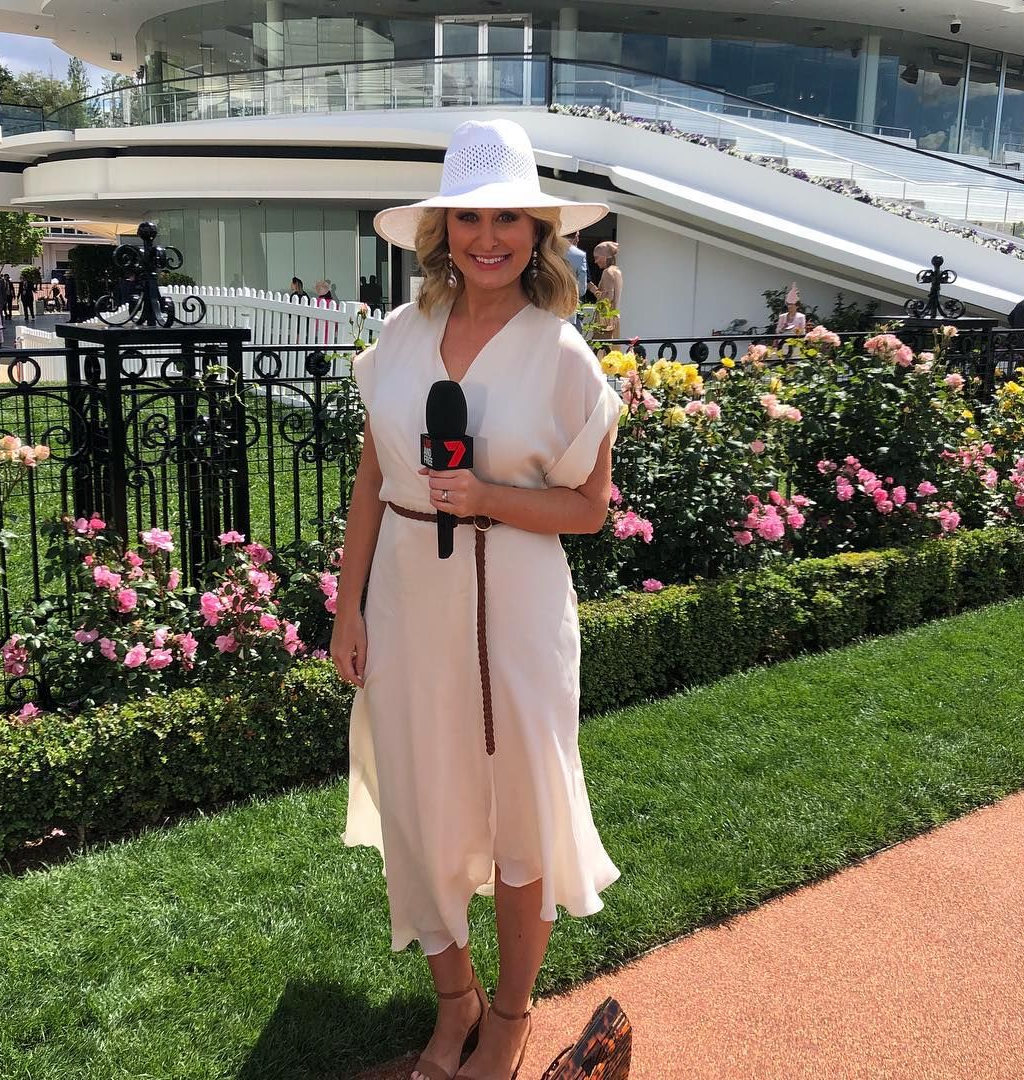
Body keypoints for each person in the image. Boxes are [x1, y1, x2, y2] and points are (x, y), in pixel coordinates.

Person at [334, 118, 620, 1080]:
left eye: (507, 218)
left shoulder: (563, 355)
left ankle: (509, 1016)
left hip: (518, 609)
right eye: (468, 218)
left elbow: (590, 509)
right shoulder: (399, 336)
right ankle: (453, 1002)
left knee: (519, 814)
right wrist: (347, 605)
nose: (486, 237)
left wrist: (487, 496)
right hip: (408, 598)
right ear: (441, 232)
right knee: (421, 802)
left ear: (538, 233)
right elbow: (372, 479)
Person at [589, 241, 622, 338]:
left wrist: (593, 289)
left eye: (596, 257)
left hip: (605, 321)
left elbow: (607, 298)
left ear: (604, 257)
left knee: (602, 346)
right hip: (614, 319)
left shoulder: (607, 272)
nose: (595, 261)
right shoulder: (617, 271)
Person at [564, 231, 588, 331]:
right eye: (578, 236)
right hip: (569, 307)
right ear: (575, 237)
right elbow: (582, 289)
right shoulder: (579, 255)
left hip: (546, 308)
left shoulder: (547, 250)